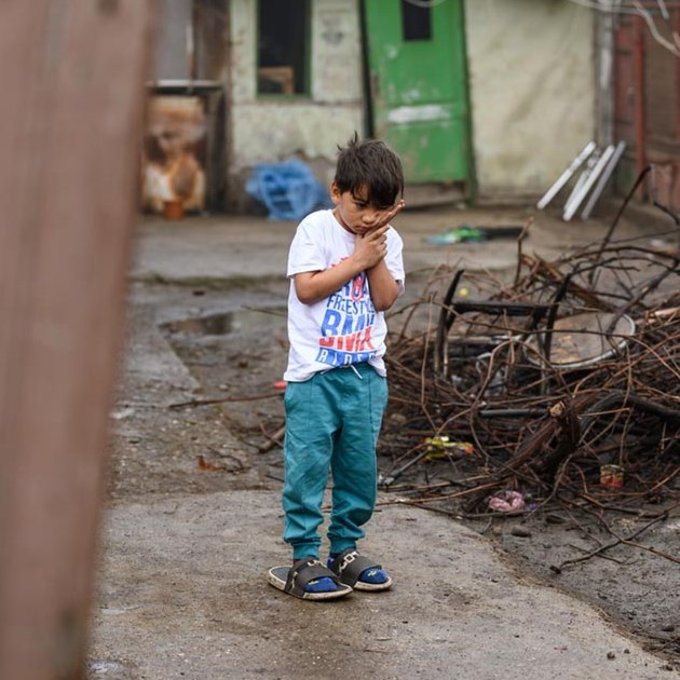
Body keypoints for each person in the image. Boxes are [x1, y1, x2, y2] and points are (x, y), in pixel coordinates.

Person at [267, 135, 406, 600]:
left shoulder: (388, 241)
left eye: (380, 209)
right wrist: (357, 259)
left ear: (397, 206)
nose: (368, 217)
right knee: (307, 467)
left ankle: (344, 549)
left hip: (366, 376)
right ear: (336, 191)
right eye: (360, 205)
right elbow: (308, 289)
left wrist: (375, 254)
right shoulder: (314, 230)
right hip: (314, 377)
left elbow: (385, 299)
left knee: (359, 470)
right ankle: (302, 557)